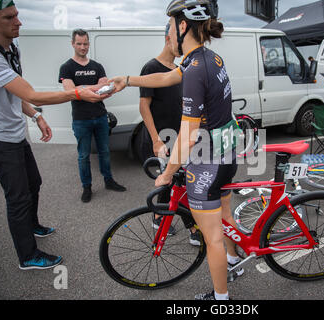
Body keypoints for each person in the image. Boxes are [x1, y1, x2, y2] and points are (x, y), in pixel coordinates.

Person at [111, 0, 242, 300]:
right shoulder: (206, 57)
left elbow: (187, 135)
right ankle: (234, 260)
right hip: (225, 154)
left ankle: (221, 298)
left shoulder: (195, 68)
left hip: (208, 162)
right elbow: (167, 77)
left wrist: (167, 175)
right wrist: (128, 80)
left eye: (170, 26)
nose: (169, 33)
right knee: (223, 216)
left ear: (182, 26)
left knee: (212, 238)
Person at [0, 2, 109, 270]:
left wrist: (36, 116)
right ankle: (28, 256)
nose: (18, 22)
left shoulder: (12, 49)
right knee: (17, 197)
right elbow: (29, 92)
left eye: (18, 15)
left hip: (16, 133)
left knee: (34, 183)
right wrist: (76, 92)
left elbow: (15, 94)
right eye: (9, 17)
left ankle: (31, 226)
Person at [138, 23, 200, 244]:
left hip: (179, 136)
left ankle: (166, 218)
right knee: (172, 182)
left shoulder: (178, 68)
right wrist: (155, 140)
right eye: (179, 41)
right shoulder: (150, 67)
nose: (182, 48)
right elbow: (144, 107)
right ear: (168, 38)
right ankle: (184, 225)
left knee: (176, 181)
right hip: (162, 137)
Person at [59, 29, 126, 203]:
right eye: (79, 43)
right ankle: (86, 187)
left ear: (89, 44)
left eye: (85, 43)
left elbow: (106, 88)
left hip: (100, 116)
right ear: (73, 44)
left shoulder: (97, 66)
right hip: (81, 119)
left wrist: (83, 88)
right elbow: (70, 91)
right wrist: (92, 87)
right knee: (83, 155)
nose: (83, 47)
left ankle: (109, 181)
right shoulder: (66, 67)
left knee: (104, 151)